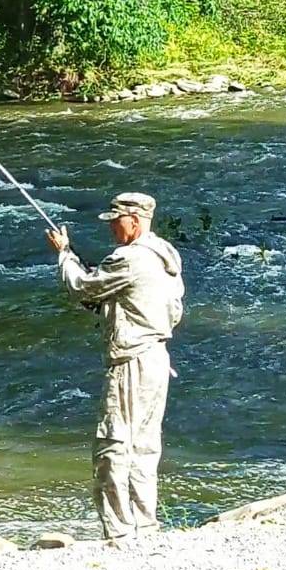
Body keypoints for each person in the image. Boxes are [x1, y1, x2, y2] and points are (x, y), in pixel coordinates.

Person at [46, 192, 185, 540]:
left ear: (135, 221)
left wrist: (64, 254)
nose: (111, 227)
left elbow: (81, 287)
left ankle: (120, 534)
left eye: (116, 220)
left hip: (130, 364)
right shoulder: (165, 256)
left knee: (113, 446)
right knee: (144, 447)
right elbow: (170, 310)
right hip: (157, 358)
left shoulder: (130, 260)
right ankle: (145, 527)